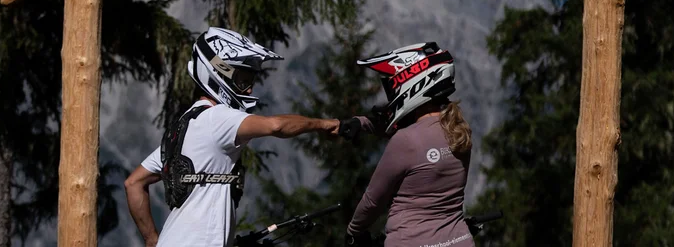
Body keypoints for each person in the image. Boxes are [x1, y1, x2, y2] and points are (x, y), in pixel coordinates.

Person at [124, 27, 358, 247]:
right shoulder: (217, 118)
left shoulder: (184, 126)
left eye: (250, 81)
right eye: (242, 81)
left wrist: (153, 240)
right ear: (217, 71)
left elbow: (134, 183)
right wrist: (324, 124)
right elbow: (276, 126)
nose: (249, 90)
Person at [345, 42, 474, 247]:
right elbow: (420, 142)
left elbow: (373, 201)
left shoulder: (406, 141)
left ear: (412, 82)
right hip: (460, 240)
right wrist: (363, 123)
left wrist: (354, 232)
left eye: (392, 86)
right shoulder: (459, 129)